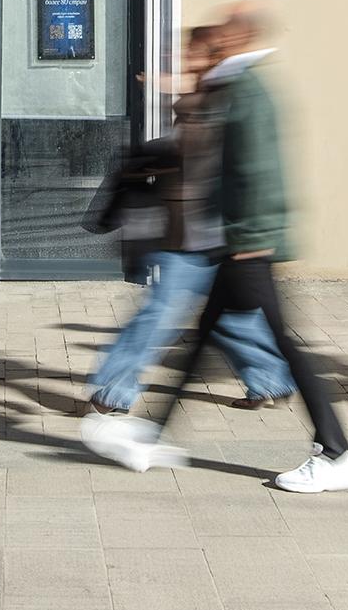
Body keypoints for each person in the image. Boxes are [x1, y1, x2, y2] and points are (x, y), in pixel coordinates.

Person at [82, 4, 348, 493]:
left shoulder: (247, 91)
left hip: (244, 245)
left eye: (212, 42)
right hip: (231, 243)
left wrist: (251, 239)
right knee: (206, 337)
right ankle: (152, 438)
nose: (202, 51)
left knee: (286, 346)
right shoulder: (233, 84)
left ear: (231, 42)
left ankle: (336, 454)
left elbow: (260, 172)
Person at [85, 26, 296, 416]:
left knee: (162, 314)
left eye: (194, 53)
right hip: (193, 232)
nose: (184, 58)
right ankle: (271, 380)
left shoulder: (222, 98)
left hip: (204, 234)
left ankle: (113, 391)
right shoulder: (206, 95)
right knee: (227, 319)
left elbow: (213, 154)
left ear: (214, 57)